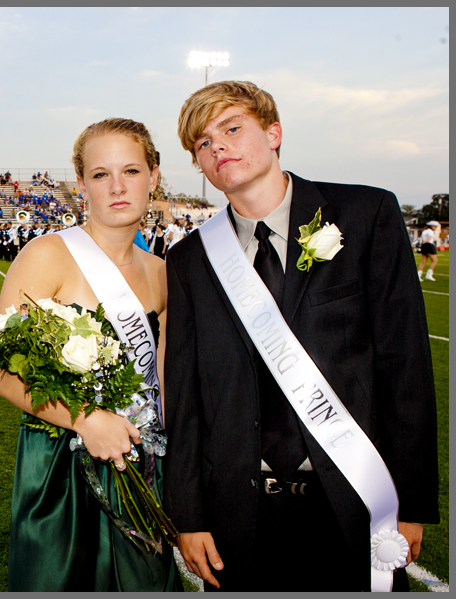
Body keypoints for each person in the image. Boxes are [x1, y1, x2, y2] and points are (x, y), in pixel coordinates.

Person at [164, 80, 439, 592]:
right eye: (202, 143)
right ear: (200, 165)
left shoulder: (366, 215)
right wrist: (189, 515)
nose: (217, 146)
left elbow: (405, 367)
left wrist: (412, 500)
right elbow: (185, 397)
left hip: (354, 499)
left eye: (232, 127)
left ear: (274, 133)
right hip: (237, 513)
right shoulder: (188, 260)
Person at [0, 118, 179, 591]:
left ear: (153, 176)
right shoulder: (47, 254)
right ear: (81, 185)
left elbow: (161, 377)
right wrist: (86, 418)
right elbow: (3, 374)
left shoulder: (161, 272)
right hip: (60, 465)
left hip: (142, 460)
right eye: (100, 174)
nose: (117, 186)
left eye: (132, 171)